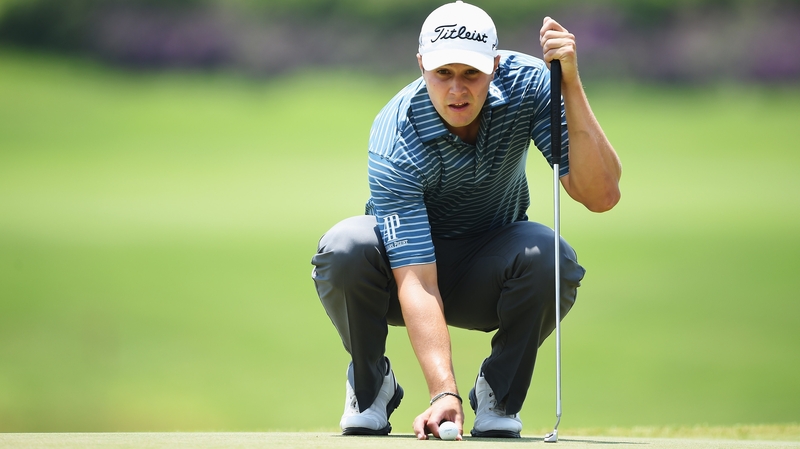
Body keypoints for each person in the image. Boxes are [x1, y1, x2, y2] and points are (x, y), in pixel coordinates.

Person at [311, 0, 621, 440]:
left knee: (552, 256)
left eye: (471, 73)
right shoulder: (396, 134)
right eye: (443, 74)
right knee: (346, 247)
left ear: (494, 66)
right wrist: (443, 393)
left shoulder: (530, 85)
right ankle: (371, 385)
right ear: (422, 66)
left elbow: (601, 194)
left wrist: (569, 84)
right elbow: (417, 279)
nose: (458, 90)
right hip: (402, 278)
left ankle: (499, 393)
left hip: (490, 269)